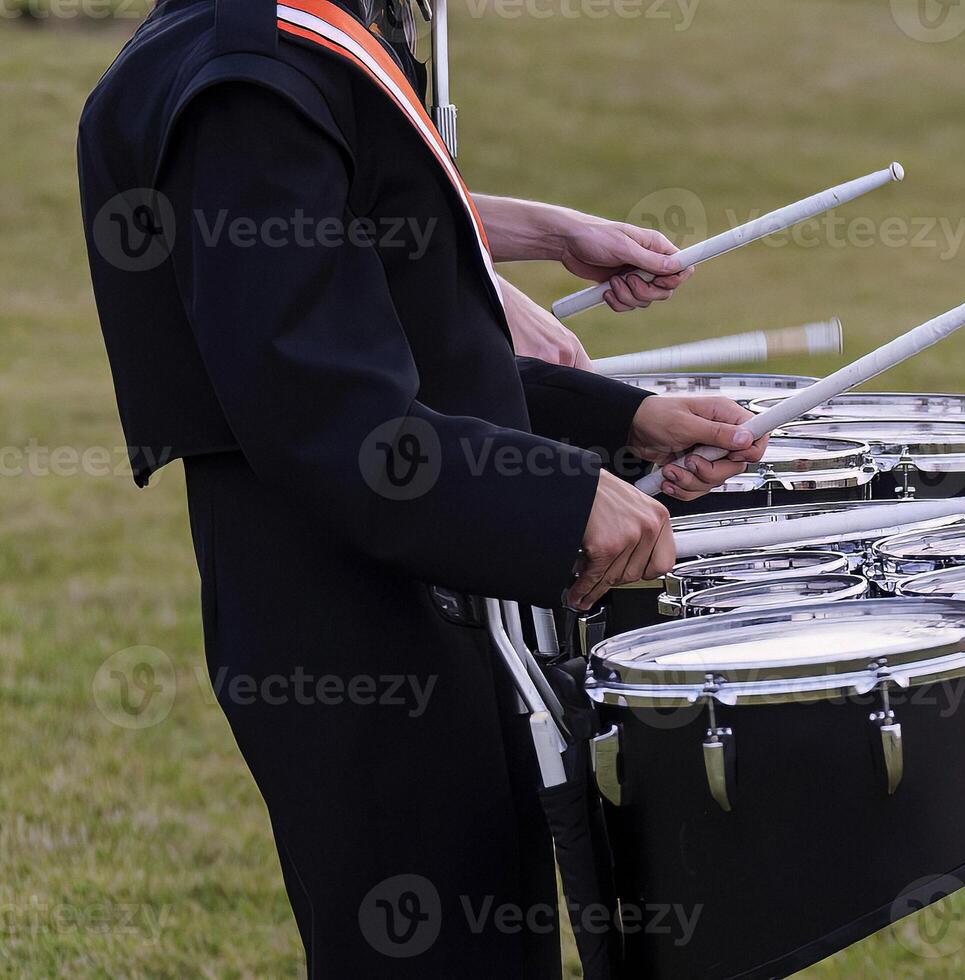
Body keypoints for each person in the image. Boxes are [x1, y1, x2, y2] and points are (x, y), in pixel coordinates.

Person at [76, 0, 765, 973]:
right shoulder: (246, 80)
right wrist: (557, 496)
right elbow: (331, 421)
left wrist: (618, 420)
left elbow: (413, 353)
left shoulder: (291, 42)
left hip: (421, 577)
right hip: (350, 622)